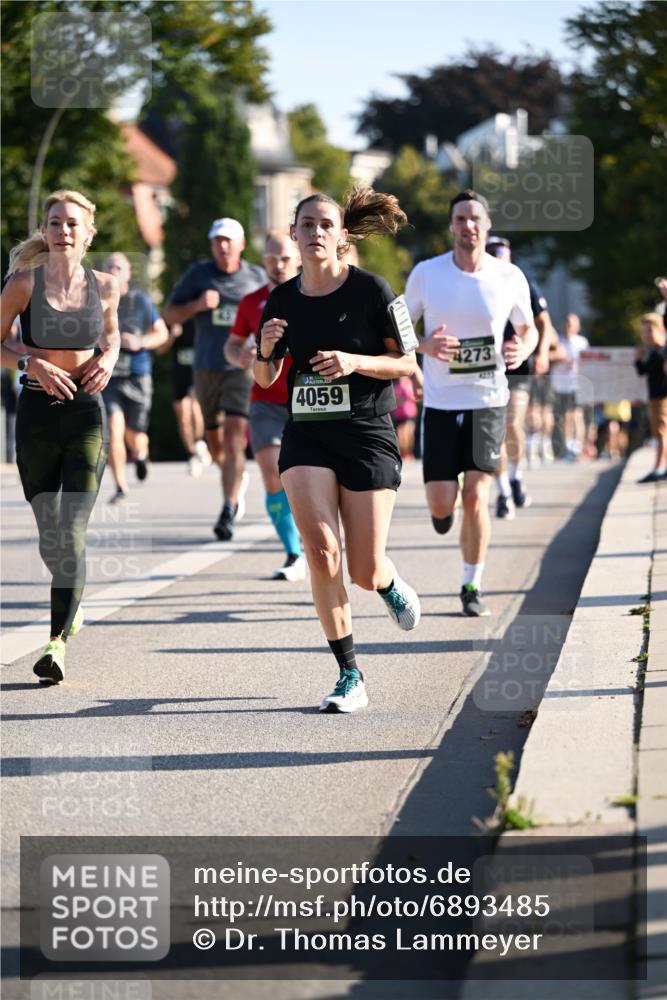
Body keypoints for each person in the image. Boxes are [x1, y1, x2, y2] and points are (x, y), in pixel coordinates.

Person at [254, 186, 420, 714]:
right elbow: (265, 374)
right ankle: (350, 673)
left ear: (342, 236)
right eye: (307, 224)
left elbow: (410, 363)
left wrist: (355, 361)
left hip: (367, 431)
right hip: (307, 432)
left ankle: (388, 583)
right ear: (293, 234)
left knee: (364, 569)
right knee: (322, 552)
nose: (316, 232)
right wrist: (263, 350)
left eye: (326, 224)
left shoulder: (373, 289)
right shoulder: (279, 299)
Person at [0, 189, 119, 684]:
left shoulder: (108, 286)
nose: (63, 230)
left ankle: (56, 645)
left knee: (70, 528)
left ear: (88, 233)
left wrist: (109, 357)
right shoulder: (22, 284)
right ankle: (72, 597)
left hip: (87, 415)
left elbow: (110, 335)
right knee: (52, 533)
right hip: (36, 417)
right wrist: (32, 362)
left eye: (72, 223)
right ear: (45, 232)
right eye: (54, 223)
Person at [405, 190, 538, 617]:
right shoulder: (427, 274)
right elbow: (398, 331)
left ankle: (471, 583)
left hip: (489, 398)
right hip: (441, 402)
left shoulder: (509, 276)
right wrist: (425, 345)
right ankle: (444, 513)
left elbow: (528, 328)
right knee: (443, 502)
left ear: (487, 224)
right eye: (460, 218)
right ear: (452, 226)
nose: (469, 226)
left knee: (477, 497)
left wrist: (523, 350)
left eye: (475, 218)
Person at [163, 218, 266, 539]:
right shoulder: (199, 275)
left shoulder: (255, 278)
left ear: (241, 244)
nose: (223, 246)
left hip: (240, 369)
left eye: (228, 241)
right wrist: (195, 305)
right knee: (216, 442)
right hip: (206, 366)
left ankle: (228, 507)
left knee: (235, 436)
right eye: (217, 241)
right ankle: (234, 478)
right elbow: (168, 314)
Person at [224, 231, 306, 581]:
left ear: (298, 257)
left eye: (285, 258)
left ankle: (313, 537)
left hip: (308, 399)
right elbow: (232, 345)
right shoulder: (252, 301)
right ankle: (293, 552)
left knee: (306, 479)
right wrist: (240, 355)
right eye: (271, 259)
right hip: (265, 402)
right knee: (272, 472)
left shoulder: (313, 295)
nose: (278, 265)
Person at [485, 236, 553, 519]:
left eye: (505, 258)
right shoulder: (475, 282)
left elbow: (543, 323)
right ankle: (502, 491)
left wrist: (542, 352)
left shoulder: (520, 280)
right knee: (495, 431)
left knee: (513, 423)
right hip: (487, 367)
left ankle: (515, 474)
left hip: (518, 364)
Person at [102, 253, 168, 502]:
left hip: (138, 376)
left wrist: (139, 341)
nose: (114, 271)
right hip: (110, 376)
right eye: (110, 267)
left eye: (119, 267)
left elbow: (161, 334)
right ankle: (121, 486)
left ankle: (140, 454)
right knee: (113, 429)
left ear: (128, 273)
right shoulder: (96, 301)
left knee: (135, 435)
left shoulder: (141, 301)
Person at [156, 318, 212, 477]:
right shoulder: (174, 318)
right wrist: (172, 335)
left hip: (199, 373)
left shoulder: (202, 318)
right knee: (183, 417)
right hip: (180, 375)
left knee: (194, 407)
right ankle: (192, 453)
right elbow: (160, 350)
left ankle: (200, 442)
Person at [550, 313, 589, 461]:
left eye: (571, 324)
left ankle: (577, 446)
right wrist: (556, 357)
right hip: (559, 385)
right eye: (566, 323)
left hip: (577, 384)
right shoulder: (557, 341)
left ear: (577, 327)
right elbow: (547, 359)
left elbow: (589, 364)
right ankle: (567, 446)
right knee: (564, 417)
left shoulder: (582, 342)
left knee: (576, 415)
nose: (568, 327)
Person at [634, 312, 667, 482]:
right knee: (658, 433)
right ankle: (660, 467)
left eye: (650, 331)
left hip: (663, 397)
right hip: (654, 396)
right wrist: (638, 359)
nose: (646, 335)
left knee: (662, 434)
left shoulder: (662, 351)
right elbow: (642, 371)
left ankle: (659, 467)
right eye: (644, 332)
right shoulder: (653, 352)